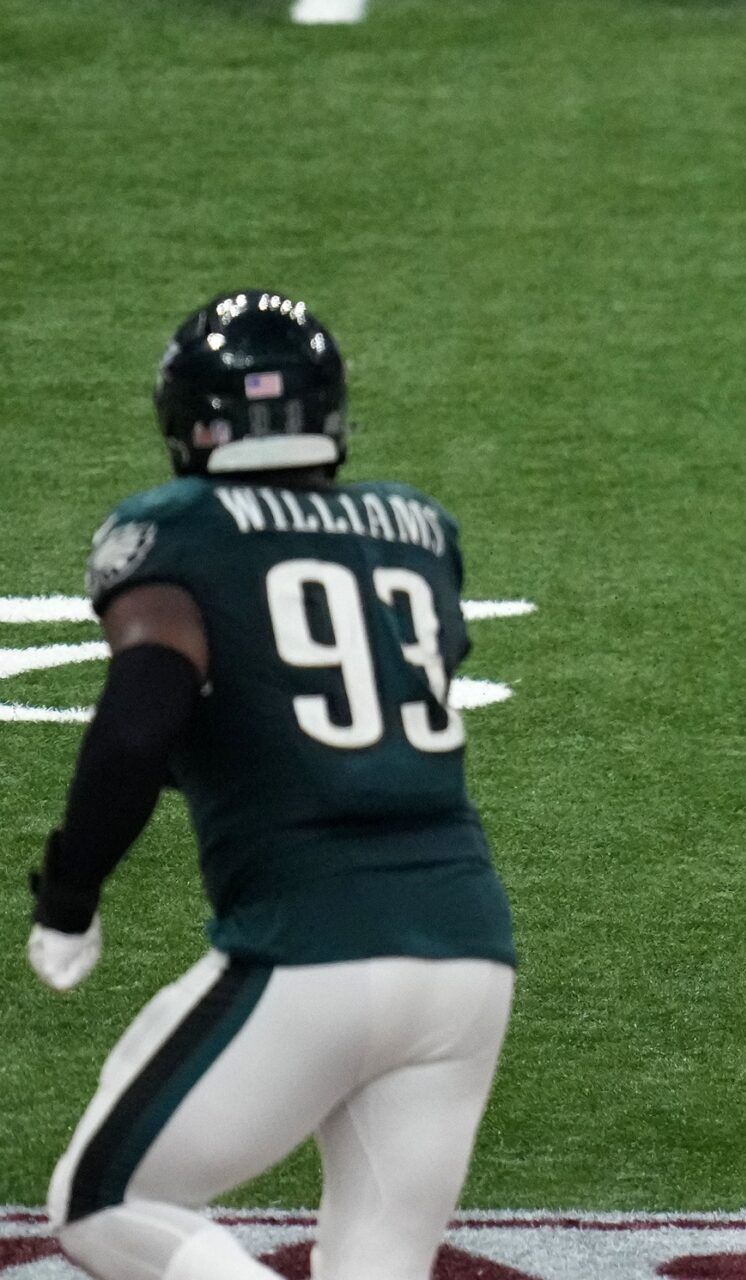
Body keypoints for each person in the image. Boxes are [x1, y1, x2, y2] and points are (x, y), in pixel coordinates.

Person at [27, 289, 517, 1278]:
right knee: (374, 1265)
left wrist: (70, 893)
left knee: (102, 1199)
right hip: (468, 949)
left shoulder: (178, 532)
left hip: (308, 942)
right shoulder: (416, 528)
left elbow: (134, 730)